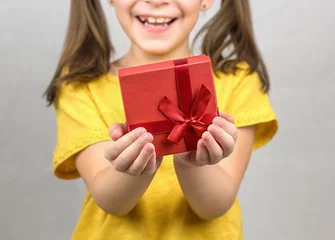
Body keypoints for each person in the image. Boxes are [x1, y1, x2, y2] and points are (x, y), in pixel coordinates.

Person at [44, 0, 278, 239]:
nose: (156, 1)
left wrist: (190, 163)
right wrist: (143, 161)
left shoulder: (239, 81)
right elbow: (110, 201)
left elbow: (215, 206)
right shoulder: (79, 85)